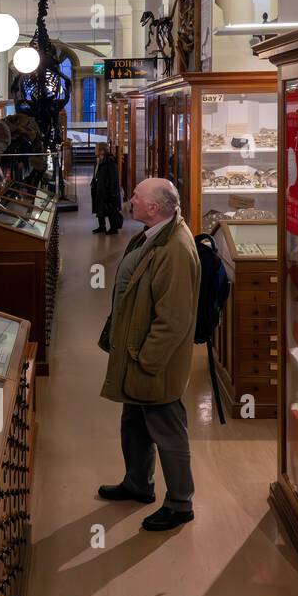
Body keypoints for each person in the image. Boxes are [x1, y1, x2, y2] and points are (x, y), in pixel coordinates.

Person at [96, 178, 200, 532]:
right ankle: (138, 482)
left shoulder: (175, 249)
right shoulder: (153, 234)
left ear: (153, 208)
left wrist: (147, 362)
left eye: (136, 197)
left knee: (167, 429)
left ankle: (180, 503)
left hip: (154, 363)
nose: (130, 200)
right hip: (136, 355)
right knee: (134, 422)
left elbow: (174, 320)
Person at [90, 142, 123, 234]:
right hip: (99, 188)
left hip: (107, 190)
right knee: (100, 207)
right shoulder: (98, 160)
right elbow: (96, 174)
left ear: (102, 151)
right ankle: (102, 227)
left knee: (110, 208)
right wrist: (93, 182)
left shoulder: (110, 162)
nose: (95, 151)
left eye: (96, 149)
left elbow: (113, 178)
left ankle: (114, 228)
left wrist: (112, 192)